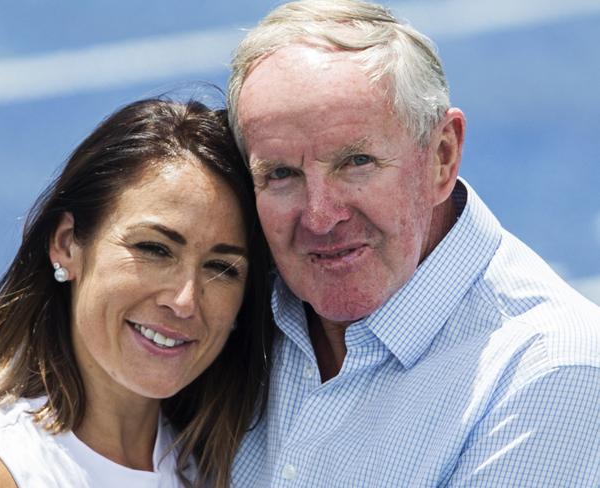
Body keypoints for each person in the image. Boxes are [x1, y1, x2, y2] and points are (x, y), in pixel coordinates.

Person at [226, 0, 600, 486]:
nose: (320, 216)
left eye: (356, 162)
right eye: (280, 174)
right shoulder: (224, 305)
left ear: (442, 156)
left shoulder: (555, 374)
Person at [0, 98, 272, 488]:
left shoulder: (219, 469)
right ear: (67, 244)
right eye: (154, 249)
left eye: (221, 268)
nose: (185, 300)